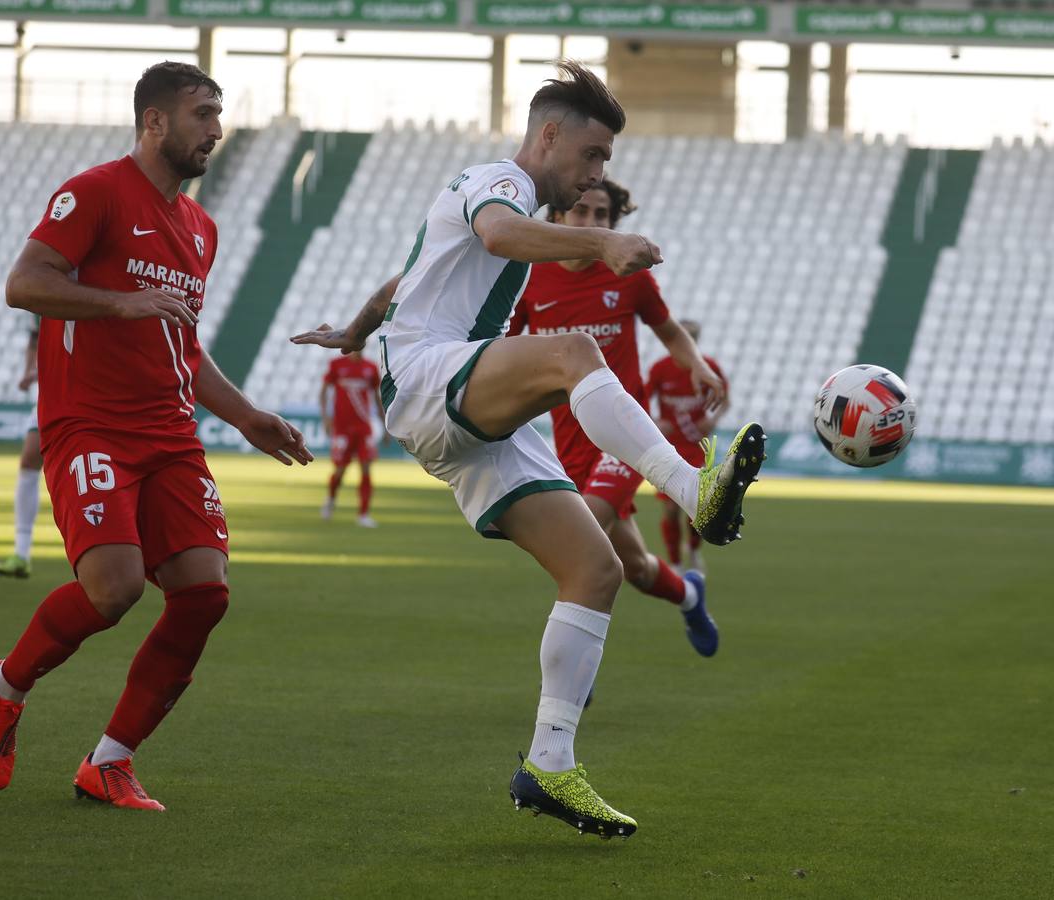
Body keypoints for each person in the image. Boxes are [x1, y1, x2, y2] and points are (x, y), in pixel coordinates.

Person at [292, 61, 765, 839]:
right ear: (548, 135)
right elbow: (501, 234)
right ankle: (693, 490)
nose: (596, 175)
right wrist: (604, 242)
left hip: (465, 411)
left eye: (604, 164)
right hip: (427, 377)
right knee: (573, 350)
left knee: (597, 570)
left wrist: (353, 329)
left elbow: (403, 278)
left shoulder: (503, 205)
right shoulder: (497, 183)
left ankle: (548, 762)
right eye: (592, 155)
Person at [0, 62, 312, 812]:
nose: (216, 131)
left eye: (219, 117)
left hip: (171, 434)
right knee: (116, 588)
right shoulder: (93, 191)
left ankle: (110, 761)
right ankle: (2, 686)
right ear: (154, 122)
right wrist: (118, 304)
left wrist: (245, 414)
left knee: (203, 595)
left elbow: (182, 347)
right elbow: (23, 284)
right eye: (203, 115)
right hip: (89, 426)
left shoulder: (201, 228)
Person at [507, 180, 724, 656]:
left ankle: (571, 670)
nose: (590, 223)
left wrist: (700, 365)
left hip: (627, 438)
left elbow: (669, 332)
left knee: (577, 537)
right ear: (558, 216)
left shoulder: (630, 277)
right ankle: (689, 595)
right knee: (635, 567)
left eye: (601, 215)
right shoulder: (529, 280)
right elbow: (504, 354)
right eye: (580, 211)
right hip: (569, 441)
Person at [646, 320, 729, 573]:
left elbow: (725, 400)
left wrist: (712, 419)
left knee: (698, 508)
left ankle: (692, 551)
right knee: (671, 509)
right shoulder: (660, 369)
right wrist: (657, 421)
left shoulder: (709, 368)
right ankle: (675, 563)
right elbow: (641, 400)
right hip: (669, 447)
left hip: (698, 446)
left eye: (693, 337)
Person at [0, 315, 43, 578]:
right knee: (29, 461)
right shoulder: (44, 287)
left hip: (85, 388)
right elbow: (35, 338)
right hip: (53, 391)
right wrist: (29, 371)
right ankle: (21, 554)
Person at [319, 349, 383, 527]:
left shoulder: (370, 368)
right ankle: (331, 498)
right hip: (342, 428)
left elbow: (376, 397)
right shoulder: (337, 364)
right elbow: (324, 391)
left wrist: (383, 423)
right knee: (340, 470)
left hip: (363, 428)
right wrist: (326, 418)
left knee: (366, 469)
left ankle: (363, 514)